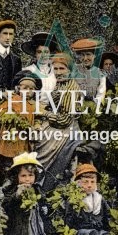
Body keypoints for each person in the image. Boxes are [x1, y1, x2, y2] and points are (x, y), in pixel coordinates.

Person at [34, 53, 83, 191]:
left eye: (62, 69)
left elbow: (65, 119)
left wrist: (45, 113)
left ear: (69, 70)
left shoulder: (71, 88)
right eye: (55, 69)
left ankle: (43, 181)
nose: (58, 73)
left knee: (41, 141)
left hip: (65, 127)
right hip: (55, 121)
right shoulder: (60, 84)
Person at [63, 163, 116, 235]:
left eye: (92, 182)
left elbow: (108, 215)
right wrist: (76, 210)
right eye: (85, 182)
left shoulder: (99, 199)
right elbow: (68, 221)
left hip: (97, 229)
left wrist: (111, 227)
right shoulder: (75, 199)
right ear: (78, 183)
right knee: (94, 233)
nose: (89, 185)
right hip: (81, 232)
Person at [2, 152, 49, 235]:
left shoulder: (37, 189)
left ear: (35, 176)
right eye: (23, 176)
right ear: (17, 177)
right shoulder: (12, 190)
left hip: (34, 222)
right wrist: (16, 196)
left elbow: (42, 201)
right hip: (18, 224)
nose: (27, 179)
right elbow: (6, 206)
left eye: (30, 175)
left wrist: (44, 207)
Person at [21, 32, 60, 105]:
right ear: (35, 53)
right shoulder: (27, 71)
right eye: (39, 52)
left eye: (46, 52)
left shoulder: (56, 71)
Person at [71, 38, 106, 104]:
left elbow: (101, 94)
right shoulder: (74, 70)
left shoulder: (100, 73)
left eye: (88, 54)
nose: (85, 58)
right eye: (82, 55)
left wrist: (95, 104)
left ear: (94, 55)